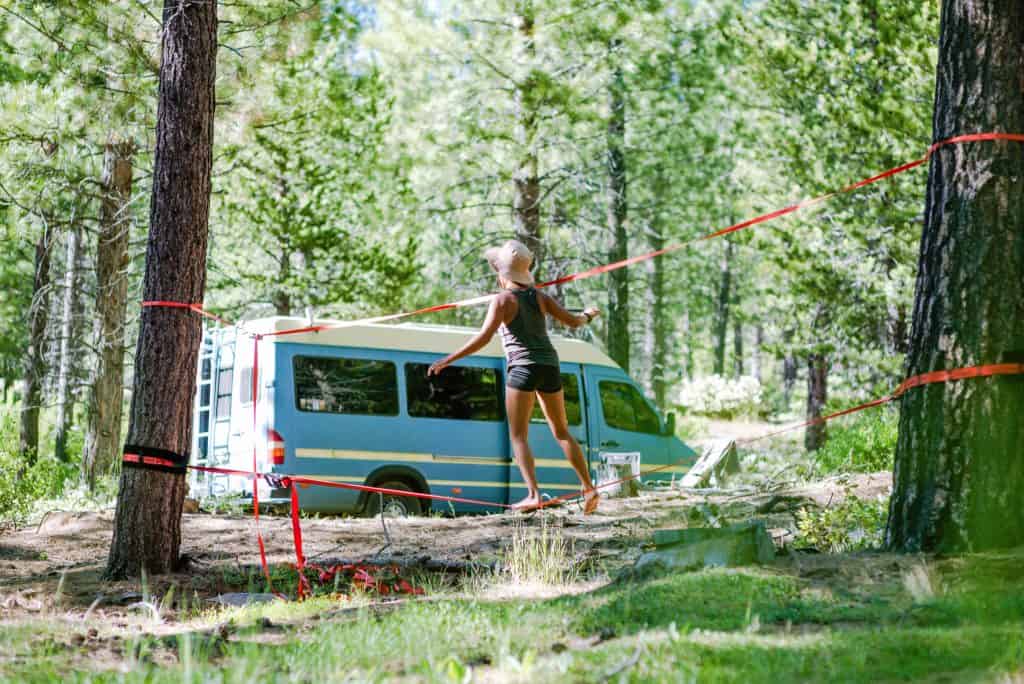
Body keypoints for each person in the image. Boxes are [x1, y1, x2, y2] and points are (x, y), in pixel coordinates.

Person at [428, 240, 601, 514]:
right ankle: (589, 488)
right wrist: (588, 315)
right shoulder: (540, 297)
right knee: (561, 430)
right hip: (549, 365)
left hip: (523, 368)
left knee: (518, 435)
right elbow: (573, 321)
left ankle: (533, 494)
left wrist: (448, 360)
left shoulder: (503, 300)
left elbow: (483, 338)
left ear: (502, 274)